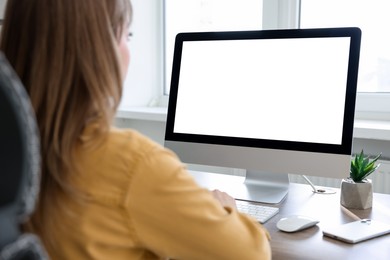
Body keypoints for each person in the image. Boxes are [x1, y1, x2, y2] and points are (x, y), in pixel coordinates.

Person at [0, 0, 271, 259]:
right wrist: (225, 209)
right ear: (97, 49)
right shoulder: (133, 164)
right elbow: (252, 253)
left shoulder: (13, 151)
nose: (129, 50)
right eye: (126, 35)